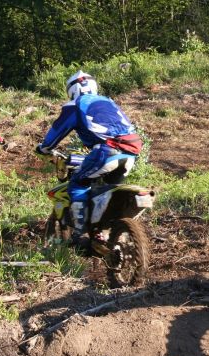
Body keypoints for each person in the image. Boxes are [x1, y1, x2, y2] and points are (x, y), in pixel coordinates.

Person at [35, 70, 143, 245]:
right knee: (105, 188)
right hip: (130, 152)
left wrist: (45, 148)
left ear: (72, 90)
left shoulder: (76, 104)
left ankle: (81, 233)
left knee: (78, 183)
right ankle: (106, 231)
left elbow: (56, 132)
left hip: (107, 150)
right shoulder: (109, 102)